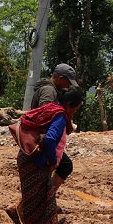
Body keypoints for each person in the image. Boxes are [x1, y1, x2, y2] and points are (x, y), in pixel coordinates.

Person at [5, 88, 84, 224]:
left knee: (37, 194)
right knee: (43, 196)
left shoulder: (50, 108)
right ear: (69, 105)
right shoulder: (60, 116)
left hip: (26, 156)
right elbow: (50, 139)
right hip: (37, 161)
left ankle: (27, 218)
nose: (75, 112)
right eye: (76, 108)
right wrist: (53, 161)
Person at [32, 63, 78, 194]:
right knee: (64, 165)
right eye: (68, 82)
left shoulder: (50, 89)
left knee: (64, 166)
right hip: (42, 139)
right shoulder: (49, 91)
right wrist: (51, 156)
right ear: (61, 78)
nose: (68, 86)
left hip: (42, 138)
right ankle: (44, 199)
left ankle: (44, 199)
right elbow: (46, 115)